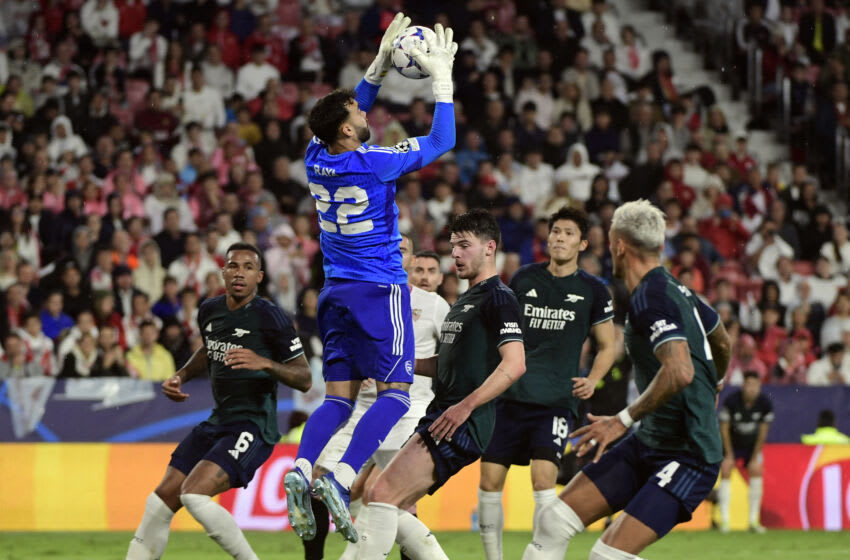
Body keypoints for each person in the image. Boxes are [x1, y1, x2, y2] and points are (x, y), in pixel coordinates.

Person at [283, 14, 459, 545]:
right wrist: (442, 77)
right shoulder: (376, 162)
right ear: (346, 129)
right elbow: (442, 138)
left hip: (333, 292)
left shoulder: (315, 158)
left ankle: (301, 466)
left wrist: (377, 70)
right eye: (359, 112)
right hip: (379, 290)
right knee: (398, 393)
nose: (366, 112)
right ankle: (339, 475)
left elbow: (341, 112)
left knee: (337, 399)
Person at [522, 200, 732, 560]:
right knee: (553, 521)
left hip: (690, 456)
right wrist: (716, 382)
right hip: (650, 442)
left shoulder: (651, 298)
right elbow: (722, 339)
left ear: (618, 244)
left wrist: (622, 420)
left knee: (606, 556)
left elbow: (680, 370)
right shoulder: (677, 290)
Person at [125, 242, 312, 560]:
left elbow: (305, 378)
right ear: (223, 272)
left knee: (194, 496)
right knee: (159, 502)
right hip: (218, 421)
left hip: (253, 426)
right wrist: (181, 375)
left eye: (248, 267)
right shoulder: (210, 310)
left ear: (259, 276)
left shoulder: (271, 317)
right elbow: (209, 349)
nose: (240, 273)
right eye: (233, 266)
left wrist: (265, 362)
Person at [357, 209, 526, 559]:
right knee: (390, 502)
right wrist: (401, 365)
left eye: (465, 245)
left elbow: (515, 364)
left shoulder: (498, 297)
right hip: (442, 415)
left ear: (490, 247)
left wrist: (464, 407)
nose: (456, 254)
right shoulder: (464, 301)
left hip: (461, 422)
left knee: (381, 496)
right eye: (453, 245)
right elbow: (447, 365)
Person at [478, 206, 616, 560]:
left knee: (543, 481)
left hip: (555, 400)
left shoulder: (594, 290)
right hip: (510, 395)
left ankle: (542, 556)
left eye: (569, 233)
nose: (559, 238)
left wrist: (594, 379)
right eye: (555, 231)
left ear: (583, 243)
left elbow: (608, 346)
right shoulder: (524, 277)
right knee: (489, 483)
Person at [306, 234, 450, 560]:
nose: (395, 255)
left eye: (401, 250)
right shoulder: (362, 300)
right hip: (361, 408)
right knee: (319, 482)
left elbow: (452, 361)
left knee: (388, 497)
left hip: (408, 407)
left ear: (409, 261)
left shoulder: (434, 305)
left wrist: (407, 371)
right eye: (390, 250)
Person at [717, 371, 774, 533]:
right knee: (726, 468)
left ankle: (753, 521)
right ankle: (724, 522)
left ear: (760, 387)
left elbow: (763, 432)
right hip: (731, 445)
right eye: (749, 385)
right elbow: (724, 428)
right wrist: (729, 454)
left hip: (751, 447)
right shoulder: (731, 401)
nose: (752, 389)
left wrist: (755, 457)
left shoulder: (764, 404)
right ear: (743, 386)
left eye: (756, 386)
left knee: (756, 470)